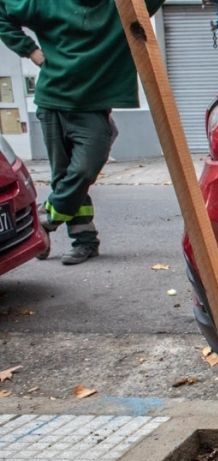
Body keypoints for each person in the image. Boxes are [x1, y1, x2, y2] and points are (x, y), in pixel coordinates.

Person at [0, 0, 164, 264]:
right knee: (65, 176)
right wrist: (30, 50)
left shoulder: (121, 6)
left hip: (93, 109)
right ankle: (85, 240)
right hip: (52, 102)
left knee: (83, 170)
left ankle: (47, 218)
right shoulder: (46, 4)